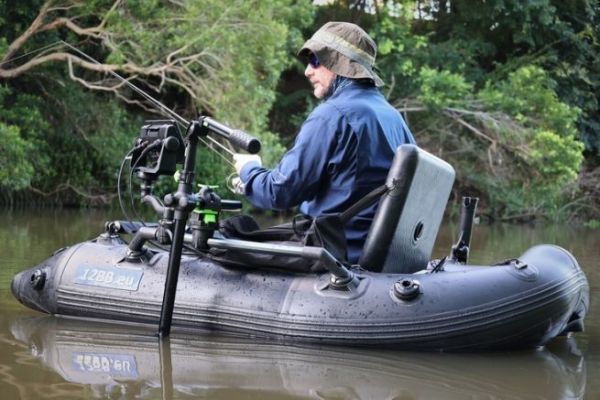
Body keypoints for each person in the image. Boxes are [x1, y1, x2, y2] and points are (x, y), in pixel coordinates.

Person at [233, 21, 416, 263]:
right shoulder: (395, 118)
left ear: (339, 64)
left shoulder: (332, 115)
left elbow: (280, 192)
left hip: (329, 256)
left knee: (228, 233)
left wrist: (248, 170)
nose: (308, 71)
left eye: (315, 61)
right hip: (369, 259)